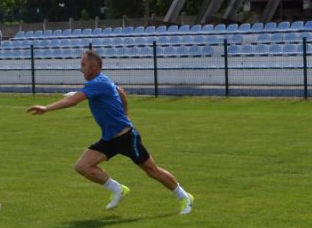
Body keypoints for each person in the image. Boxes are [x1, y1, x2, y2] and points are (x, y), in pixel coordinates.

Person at [27, 49, 194, 215]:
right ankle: (118, 189)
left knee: (152, 171)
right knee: (82, 166)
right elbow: (120, 91)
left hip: (127, 138)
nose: (80, 68)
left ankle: (184, 197)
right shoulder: (101, 81)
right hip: (109, 140)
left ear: (94, 67)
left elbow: (73, 100)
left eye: (83, 65)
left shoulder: (98, 83)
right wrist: (125, 112)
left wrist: (46, 108)